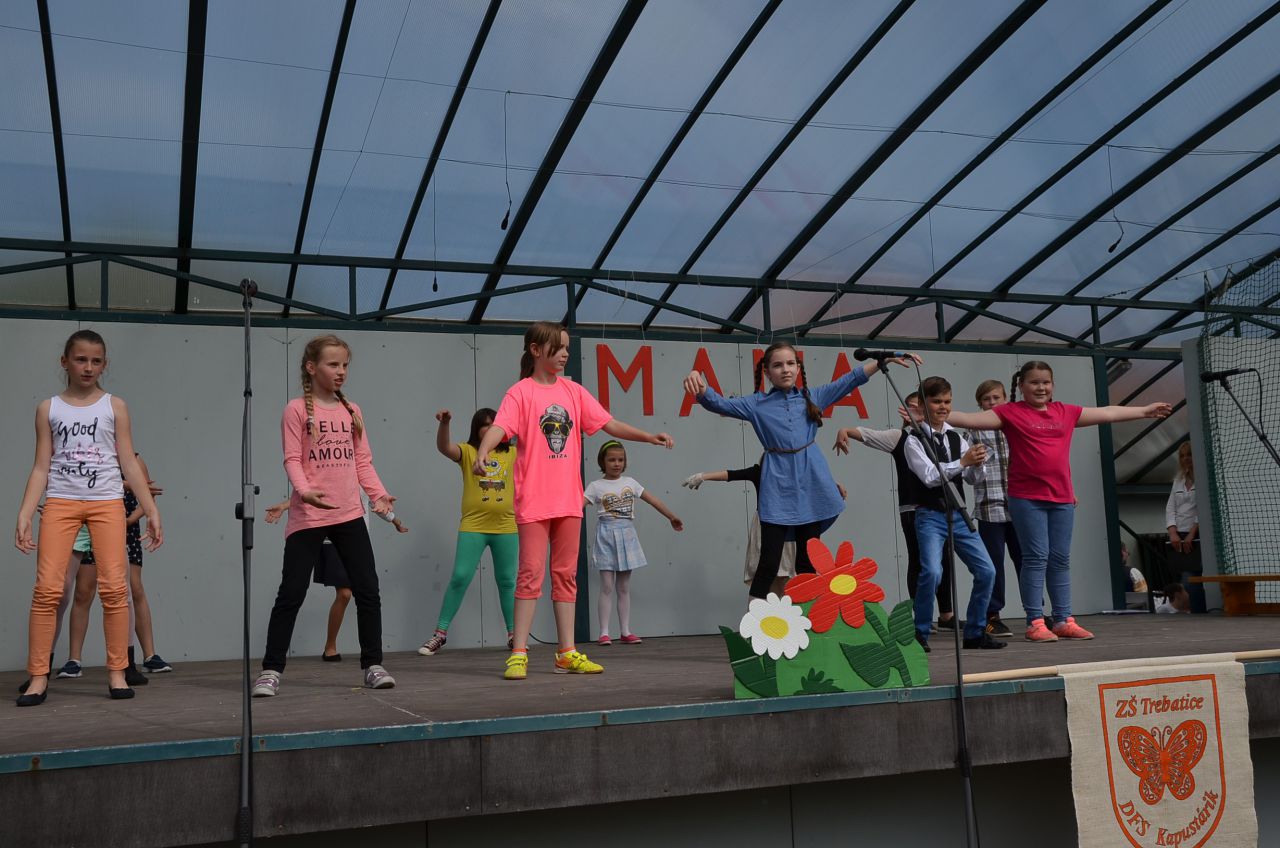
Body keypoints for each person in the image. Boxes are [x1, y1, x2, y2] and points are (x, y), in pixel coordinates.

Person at [476, 321, 673, 681]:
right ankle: (518, 653)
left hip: (568, 501)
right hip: (534, 502)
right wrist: (483, 451)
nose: (566, 353)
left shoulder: (574, 392)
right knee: (530, 575)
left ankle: (566, 653)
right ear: (536, 350)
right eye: (560, 347)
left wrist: (648, 436)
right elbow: (500, 427)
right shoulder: (520, 393)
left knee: (565, 576)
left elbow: (609, 424)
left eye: (568, 347)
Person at [947, 360, 1171, 643]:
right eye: (1034, 382)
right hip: (1026, 498)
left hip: (1062, 497)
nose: (1041, 387)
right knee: (1035, 557)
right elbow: (968, 419)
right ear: (1021, 386)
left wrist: (1144, 411)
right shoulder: (1010, 412)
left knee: (1060, 559)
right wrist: (931, 414)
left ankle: (1064, 619)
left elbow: (1107, 412)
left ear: (1052, 385)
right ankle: (1035, 621)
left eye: (1046, 382)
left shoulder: (1065, 412)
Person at [684, 343, 920, 601]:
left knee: (807, 561)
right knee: (769, 560)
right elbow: (718, 403)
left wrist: (885, 359)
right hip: (777, 486)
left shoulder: (812, 397)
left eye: (790, 364)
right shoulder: (756, 404)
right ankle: (754, 618)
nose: (785, 369)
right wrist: (698, 378)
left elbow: (850, 380)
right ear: (767, 372)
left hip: (811, 485)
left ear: (798, 368)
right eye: (777, 365)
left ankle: (806, 617)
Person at [13, 330, 163, 706]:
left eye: (96, 361)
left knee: (114, 589)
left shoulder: (115, 406)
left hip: (106, 502)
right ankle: (38, 677)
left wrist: (151, 509)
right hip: (61, 502)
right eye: (81, 359)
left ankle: (117, 672)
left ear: (104, 365)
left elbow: (128, 461)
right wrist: (25, 513)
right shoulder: (49, 409)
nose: (88, 367)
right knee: (47, 590)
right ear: (65, 361)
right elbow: (41, 466)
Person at [252, 335, 398, 697]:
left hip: (349, 514)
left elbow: (362, 461)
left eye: (345, 365)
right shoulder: (295, 410)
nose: (341, 371)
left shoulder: (352, 410)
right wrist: (304, 492)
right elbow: (291, 458)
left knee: (367, 589)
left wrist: (379, 495)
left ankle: (373, 665)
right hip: (309, 515)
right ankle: (271, 670)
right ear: (311, 367)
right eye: (333, 364)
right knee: (291, 592)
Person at [832, 391, 956, 632]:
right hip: (913, 508)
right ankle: (921, 615)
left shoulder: (941, 436)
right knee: (919, 560)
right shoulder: (900, 437)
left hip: (941, 508)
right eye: (910, 407)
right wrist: (844, 430)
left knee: (944, 559)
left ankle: (946, 613)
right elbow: (867, 435)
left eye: (918, 407)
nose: (914, 412)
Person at [903, 376, 1005, 652]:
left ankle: (975, 632)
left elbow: (970, 478)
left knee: (987, 570)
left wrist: (978, 464)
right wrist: (963, 461)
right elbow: (929, 477)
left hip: (958, 514)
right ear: (922, 405)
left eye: (947, 401)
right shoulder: (913, 440)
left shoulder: (956, 437)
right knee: (932, 572)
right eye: (937, 401)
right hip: (929, 515)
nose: (943, 407)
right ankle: (920, 631)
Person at [419, 408, 517, 656]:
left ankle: (514, 635)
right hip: (474, 526)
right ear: (476, 429)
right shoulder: (469, 451)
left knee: (507, 581)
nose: (491, 429)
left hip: (506, 526)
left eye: (495, 424)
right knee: (460, 577)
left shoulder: (513, 453)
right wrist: (445, 424)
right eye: (485, 425)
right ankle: (440, 634)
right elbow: (444, 448)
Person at [63, 454, 169, 682]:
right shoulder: (88, 457)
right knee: (83, 591)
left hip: (125, 527)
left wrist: (130, 520)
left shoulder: (134, 460)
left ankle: (148, 655)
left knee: (133, 588)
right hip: (92, 526)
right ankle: (74, 659)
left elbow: (148, 494)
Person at [264, 499, 406, 662]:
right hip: (330, 540)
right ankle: (330, 646)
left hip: (355, 541)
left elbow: (377, 504)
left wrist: (395, 520)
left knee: (362, 594)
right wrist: (284, 506)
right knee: (344, 593)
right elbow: (310, 494)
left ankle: (358, 655)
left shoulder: (365, 485)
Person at [682, 464, 846, 596]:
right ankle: (760, 617)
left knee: (789, 575)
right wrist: (703, 476)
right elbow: (731, 475)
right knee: (767, 572)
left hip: (789, 526)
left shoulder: (796, 470)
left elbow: (817, 479)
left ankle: (793, 617)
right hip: (767, 526)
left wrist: (834, 485)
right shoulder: (762, 471)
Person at [586, 440, 683, 645]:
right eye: (611, 460)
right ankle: (604, 633)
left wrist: (671, 516)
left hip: (627, 535)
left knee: (623, 586)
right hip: (605, 536)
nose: (616, 464)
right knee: (606, 586)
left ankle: (625, 631)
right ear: (602, 462)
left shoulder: (630, 482)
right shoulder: (596, 486)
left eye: (620, 460)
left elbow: (653, 500)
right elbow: (578, 504)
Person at [967, 379, 1023, 638]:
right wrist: (975, 464)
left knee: (1027, 561)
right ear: (980, 404)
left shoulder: (1017, 425)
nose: (991, 403)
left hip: (1021, 506)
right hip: (989, 507)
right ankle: (991, 615)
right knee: (993, 564)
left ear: (1005, 400)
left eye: (996, 398)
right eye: (986, 399)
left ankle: (1035, 612)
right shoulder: (973, 430)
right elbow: (967, 475)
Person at [1165, 441, 1205, 613]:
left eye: (1189, 455)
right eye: (1182, 456)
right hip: (1180, 535)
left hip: (1197, 534)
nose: (1186, 459)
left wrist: (1192, 532)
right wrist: (1172, 531)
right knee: (1186, 577)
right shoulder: (1178, 481)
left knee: (1191, 577)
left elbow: (1203, 508)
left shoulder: (1202, 478)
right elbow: (1170, 507)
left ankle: (1199, 612)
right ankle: (1195, 611)